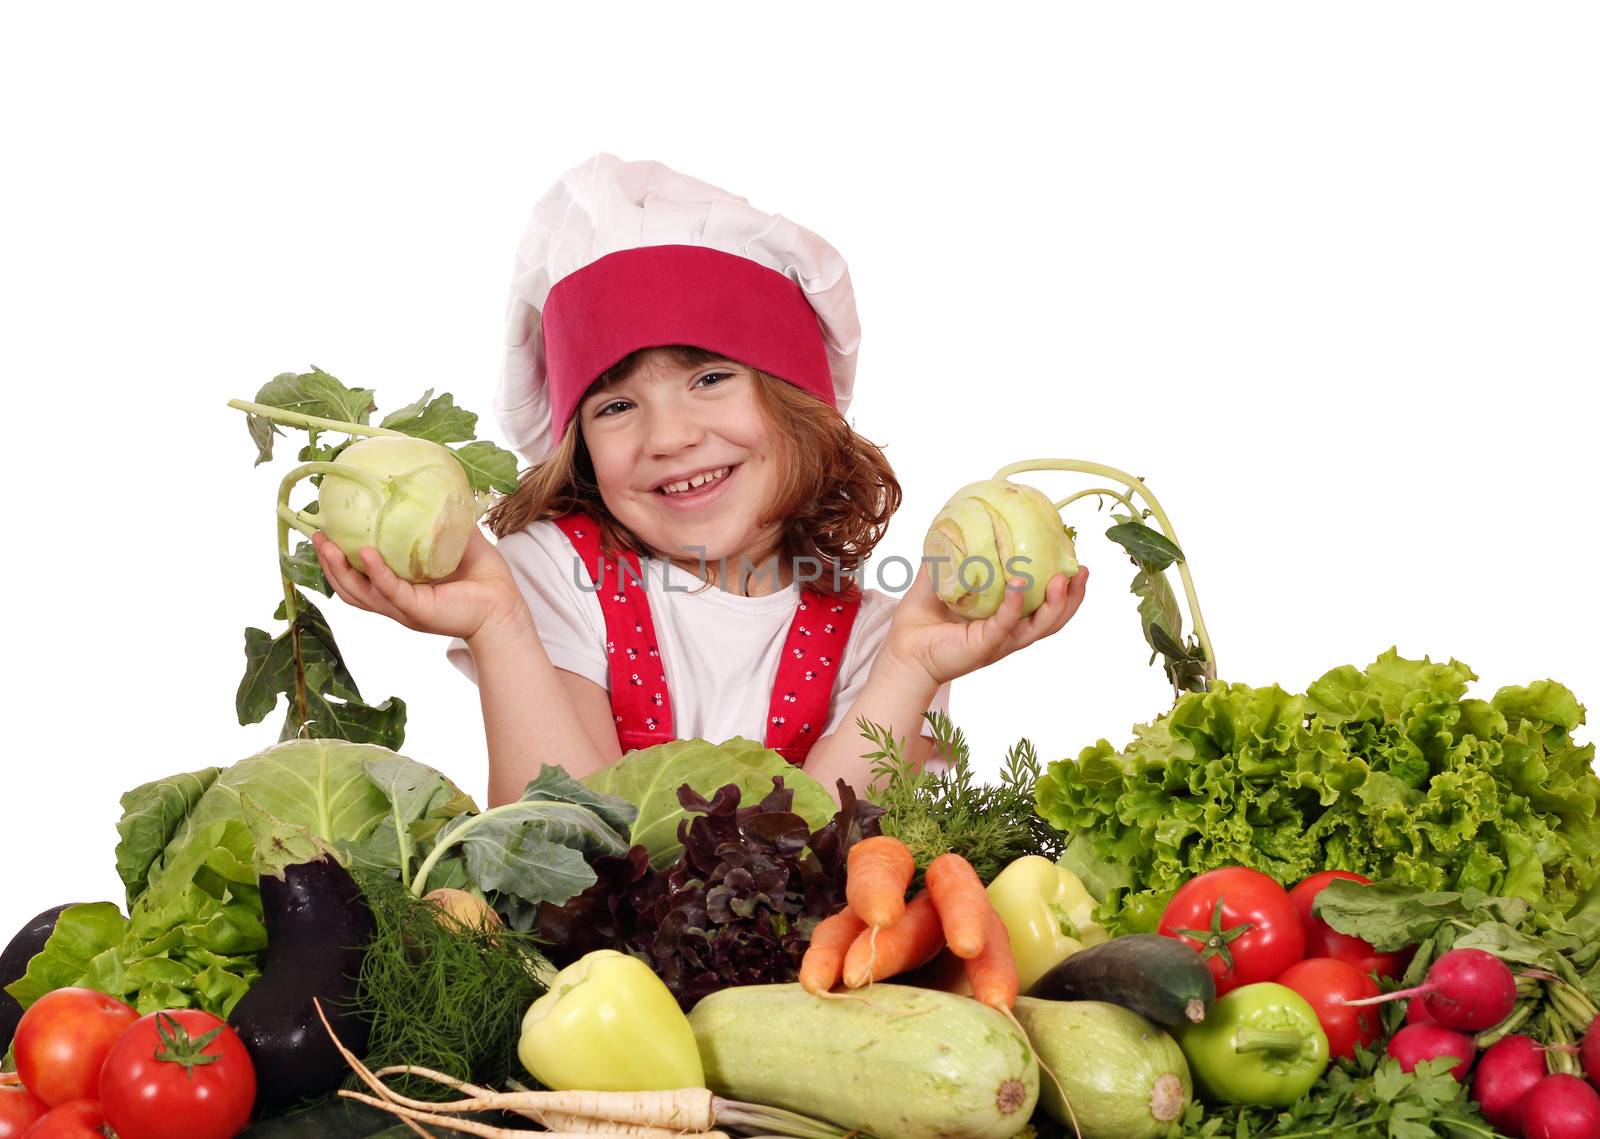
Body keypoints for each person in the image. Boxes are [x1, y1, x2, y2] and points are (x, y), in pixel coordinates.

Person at [314, 154, 1089, 805]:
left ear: (799, 402)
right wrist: (496, 627)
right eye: (616, 404)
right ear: (578, 446)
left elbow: (842, 873)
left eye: (711, 377)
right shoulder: (550, 575)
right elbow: (554, 853)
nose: (671, 436)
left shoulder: (885, 636)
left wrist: (912, 669)